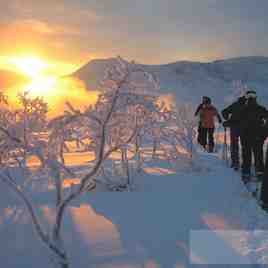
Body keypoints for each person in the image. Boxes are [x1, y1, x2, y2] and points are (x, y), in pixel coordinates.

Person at [237, 90, 268, 182]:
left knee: (247, 155)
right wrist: (264, 134)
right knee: (258, 155)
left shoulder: (243, 110)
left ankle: (246, 173)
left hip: (246, 137)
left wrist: (227, 123)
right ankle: (260, 173)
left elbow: (236, 121)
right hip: (258, 137)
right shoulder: (261, 109)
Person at [221, 96, 247, 170]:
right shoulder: (247, 106)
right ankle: (245, 164)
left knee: (234, 145)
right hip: (244, 129)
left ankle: (235, 163)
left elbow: (224, 111)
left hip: (234, 127)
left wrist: (227, 120)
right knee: (245, 146)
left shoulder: (235, 104)